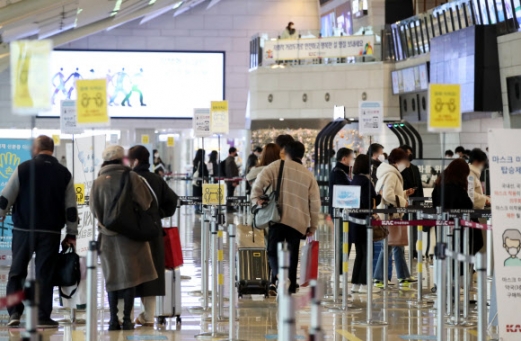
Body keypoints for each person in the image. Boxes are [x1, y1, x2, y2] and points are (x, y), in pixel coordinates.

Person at [0, 136, 78, 328]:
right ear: (52, 149)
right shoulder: (64, 173)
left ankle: (14, 313)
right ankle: (43, 316)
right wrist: (71, 233)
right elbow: (71, 209)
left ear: (36, 148)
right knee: (45, 273)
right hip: (50, 232)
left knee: (17, 272)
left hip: (23, 230)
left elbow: (5, 198)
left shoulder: (23, 168)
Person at [90, 145, 158, 331]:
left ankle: (113, 320)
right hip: (131, 237)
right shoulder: (132, 177)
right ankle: (127, 321)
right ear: (123, 160)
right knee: (131, 277)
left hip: (107, 237)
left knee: (112, 278)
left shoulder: (98, 182)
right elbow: (146, 203)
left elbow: (94, 211)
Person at [252, 141, 320, 296]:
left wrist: (256, 198)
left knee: (272, 251)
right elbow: (315, 204)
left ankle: (279, 276)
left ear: (285, 152)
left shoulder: (276, 166)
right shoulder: (308, 174)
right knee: (293, 253)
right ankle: (289, 285)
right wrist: (313, 226)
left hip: (278, 217)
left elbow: (259, 182)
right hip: (298, 222)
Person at [128, 145, 178, 327]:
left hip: (133, 232)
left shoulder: (129, 179)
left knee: (132, 272)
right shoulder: (157, 179)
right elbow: (173, 201)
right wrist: (158, 214)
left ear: (134, 161)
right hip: (154, 231)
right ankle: (149, 316)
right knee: (152, 272)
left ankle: (126, 315)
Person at [373, 148, 415, 288]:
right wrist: (403, 202)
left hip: (390, 213)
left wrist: (404, 194)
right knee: (390, 246)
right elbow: (387, 194)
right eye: (405, 160)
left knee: (397, 245)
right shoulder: (391, 174)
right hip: (390, 214)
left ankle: (403, 276)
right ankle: (379, 277)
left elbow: (390, 193)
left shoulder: (389, 172)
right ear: (398, 161)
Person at [432, 158, 484, 256]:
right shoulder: (457, 189)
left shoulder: (438, 187)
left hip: (442, 230)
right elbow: (468, 206)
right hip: (459, 231)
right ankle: (465, 270)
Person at [350, 154, 381, 294]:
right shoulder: (366, 182)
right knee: (367, 253)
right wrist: (379, 195)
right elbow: (368, 203)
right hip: (364, 222)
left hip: (354, 222)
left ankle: (355, 284)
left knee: (360, 254)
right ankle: (364, 284)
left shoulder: (355, 179)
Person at [399, 145, 424, 260]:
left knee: (414, 226)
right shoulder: (399, 169)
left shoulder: (414, 168)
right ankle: (401, 250)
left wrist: (421, 201)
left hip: (415, 201)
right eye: (408, 153)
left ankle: (413, 250)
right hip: (403, 201)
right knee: (402, 226)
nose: (410, 155)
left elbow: (419, 184)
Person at [328, 147, 354, 216]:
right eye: (351, 158)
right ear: (344, 159)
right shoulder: (338, 172)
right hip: (338, 211)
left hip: (342, 209)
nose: (353, 161)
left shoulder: (343, 171)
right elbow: (346, 189)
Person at [193, 149, 208, 214]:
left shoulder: (195, 162)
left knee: (196, 195)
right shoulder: (202, 163)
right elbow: (203, 172)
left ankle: (196, 208)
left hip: (195, 181)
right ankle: (199, 208)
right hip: (200, 182)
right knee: (200, 195)